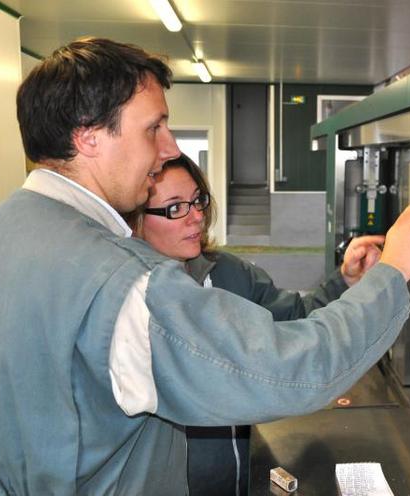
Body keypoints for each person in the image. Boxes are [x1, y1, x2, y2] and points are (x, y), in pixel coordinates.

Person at [0, 37, 410, 495]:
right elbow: (288, 371)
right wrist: (393, 271)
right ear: (88, 136)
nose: (170, 148)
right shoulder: (121, 279)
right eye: (153, 127)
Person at [127, 153, 387, 495]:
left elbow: (295, 318)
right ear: (136, 222)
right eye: (175, 208)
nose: (196, 217)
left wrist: (344, 280)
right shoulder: (129, 302)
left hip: (236, 483)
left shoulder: (230, 273)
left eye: (198, 201)